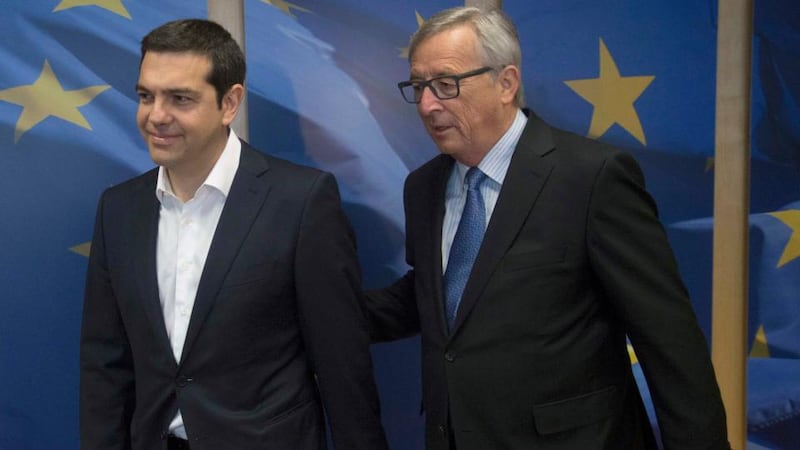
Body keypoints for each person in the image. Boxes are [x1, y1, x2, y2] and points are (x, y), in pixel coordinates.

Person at [366, 6, 729, 450]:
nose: (426, 105)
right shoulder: (423, 188)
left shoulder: (591, 178)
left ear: (506, 83)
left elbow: (671, 344)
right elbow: (435, 295)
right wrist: (309, 307)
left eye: (446, 84)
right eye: (418, 86)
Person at [80, 19, 388, 450]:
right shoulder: (118, 208)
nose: (156, 115)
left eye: (180, 99)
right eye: (146, 96)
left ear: (230, 103)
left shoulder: (301, 201)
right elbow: (105, 365)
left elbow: (342, 364)